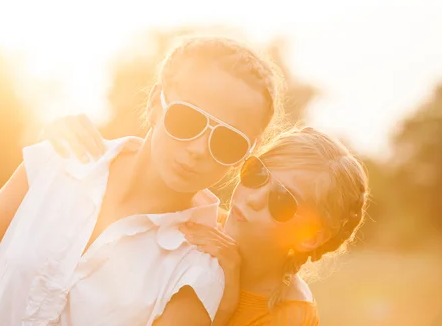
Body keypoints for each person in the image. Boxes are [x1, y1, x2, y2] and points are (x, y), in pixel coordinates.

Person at [0, 36, 283, 326]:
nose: (197, 149)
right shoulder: (58, 158)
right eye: (187, 119)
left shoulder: (200, 268)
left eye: (227, 142)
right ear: (155, 105)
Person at [44, 123, 369, 326]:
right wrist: (67, 138)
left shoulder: (289, 317)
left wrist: (225, 300)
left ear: (311, 237)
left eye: (282, 201)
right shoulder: (194, 215)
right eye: (257, 174)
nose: (253, 197)